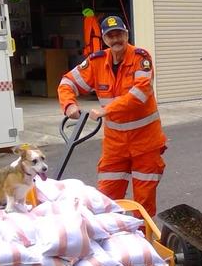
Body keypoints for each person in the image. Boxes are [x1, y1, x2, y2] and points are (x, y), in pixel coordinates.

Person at [58, 15, 166, 217]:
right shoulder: (96, 61)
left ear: (127, 34)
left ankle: (143, 242)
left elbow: (139, 94)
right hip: (115, 146)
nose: (116, 40)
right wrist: (69, 104)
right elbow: (67, 82)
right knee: (107, 198)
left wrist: (106, 110)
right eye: (111, 36)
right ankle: (114, 240)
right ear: (104, 39)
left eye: (120, 34)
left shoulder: (141, 59)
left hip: (145, 143)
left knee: (143, 201)